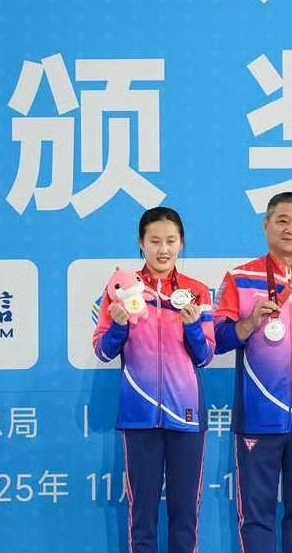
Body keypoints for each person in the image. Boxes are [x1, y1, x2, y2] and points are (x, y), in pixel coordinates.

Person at [214, 192, 292, 553]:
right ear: (266, 224)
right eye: (283, 220)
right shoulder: (240, 278)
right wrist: (250, 322)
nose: (291, 228)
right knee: (256, 515)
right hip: (259, 417)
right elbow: (217, 340)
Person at [92, 206, 215, 553]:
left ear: (182, 244)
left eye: (171, 241)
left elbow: (205, 356)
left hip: (187, 416)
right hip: (139, 415)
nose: (163, 249)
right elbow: (103, 351)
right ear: (141, 244)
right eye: (155, 241)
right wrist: (118, 325)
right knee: (141, 514)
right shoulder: (121, 288)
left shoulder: (197, 292)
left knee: (184, 514)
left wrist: (192, 325)